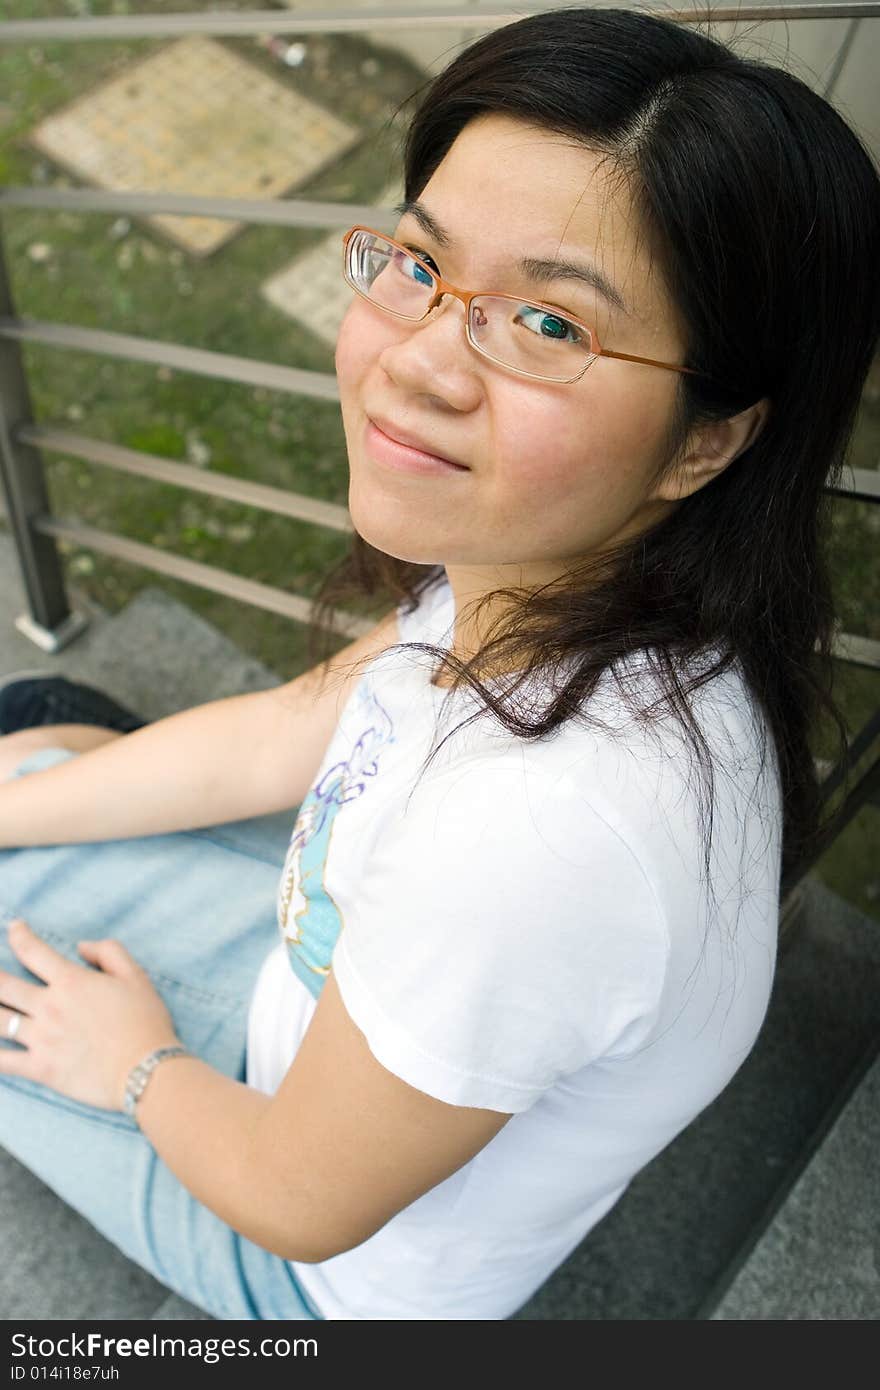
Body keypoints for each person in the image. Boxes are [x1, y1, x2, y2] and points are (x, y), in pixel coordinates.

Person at [0, 5, 878, 1322]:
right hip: (333, 988)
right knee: (40, 752)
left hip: (313, 1254)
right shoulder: (570, 578)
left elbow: (303, 1199)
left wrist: (135, 1068)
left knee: (43, 730)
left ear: (708, 440)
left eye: (547, 323)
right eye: (418, 264)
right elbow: (291, 728)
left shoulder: (544, 836)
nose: (415, 363)